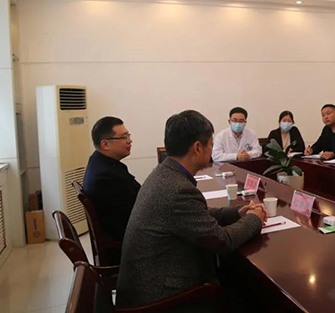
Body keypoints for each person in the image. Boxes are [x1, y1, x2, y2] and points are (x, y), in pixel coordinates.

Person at [116, 110, 267, 310]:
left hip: (148, 281)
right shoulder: (178, 189)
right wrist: (254, 218)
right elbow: (222, 241)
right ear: (197, 148)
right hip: (160, 297)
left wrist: (238, 212)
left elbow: (198, 215)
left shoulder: (164, 173)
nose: (212, 149)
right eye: (211, 144)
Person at [83, 116, 140, 264]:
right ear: (105, 144)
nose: (130, 141)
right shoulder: (106, 177)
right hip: (126, 247)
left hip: (124, 234)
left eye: (128, 135)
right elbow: (138, 213)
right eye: (124, 137)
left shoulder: (99, 162)